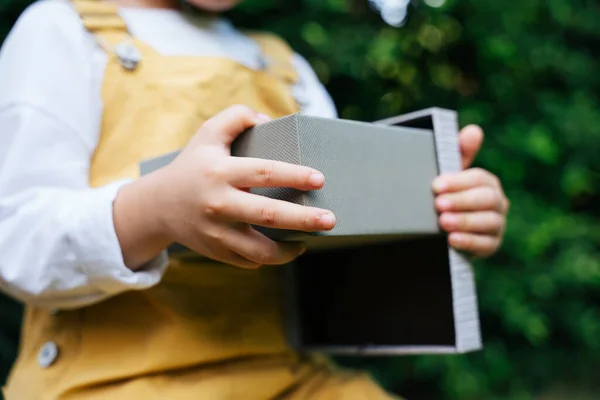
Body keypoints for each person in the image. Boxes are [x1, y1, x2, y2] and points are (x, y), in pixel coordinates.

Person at [0, 0, 509, 398]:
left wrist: (440, 210)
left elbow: (336, 235)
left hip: (291, 379)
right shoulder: (64, 30)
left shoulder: (288, 69)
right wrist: (155, 211)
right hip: (105, 383)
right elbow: (15, 241)